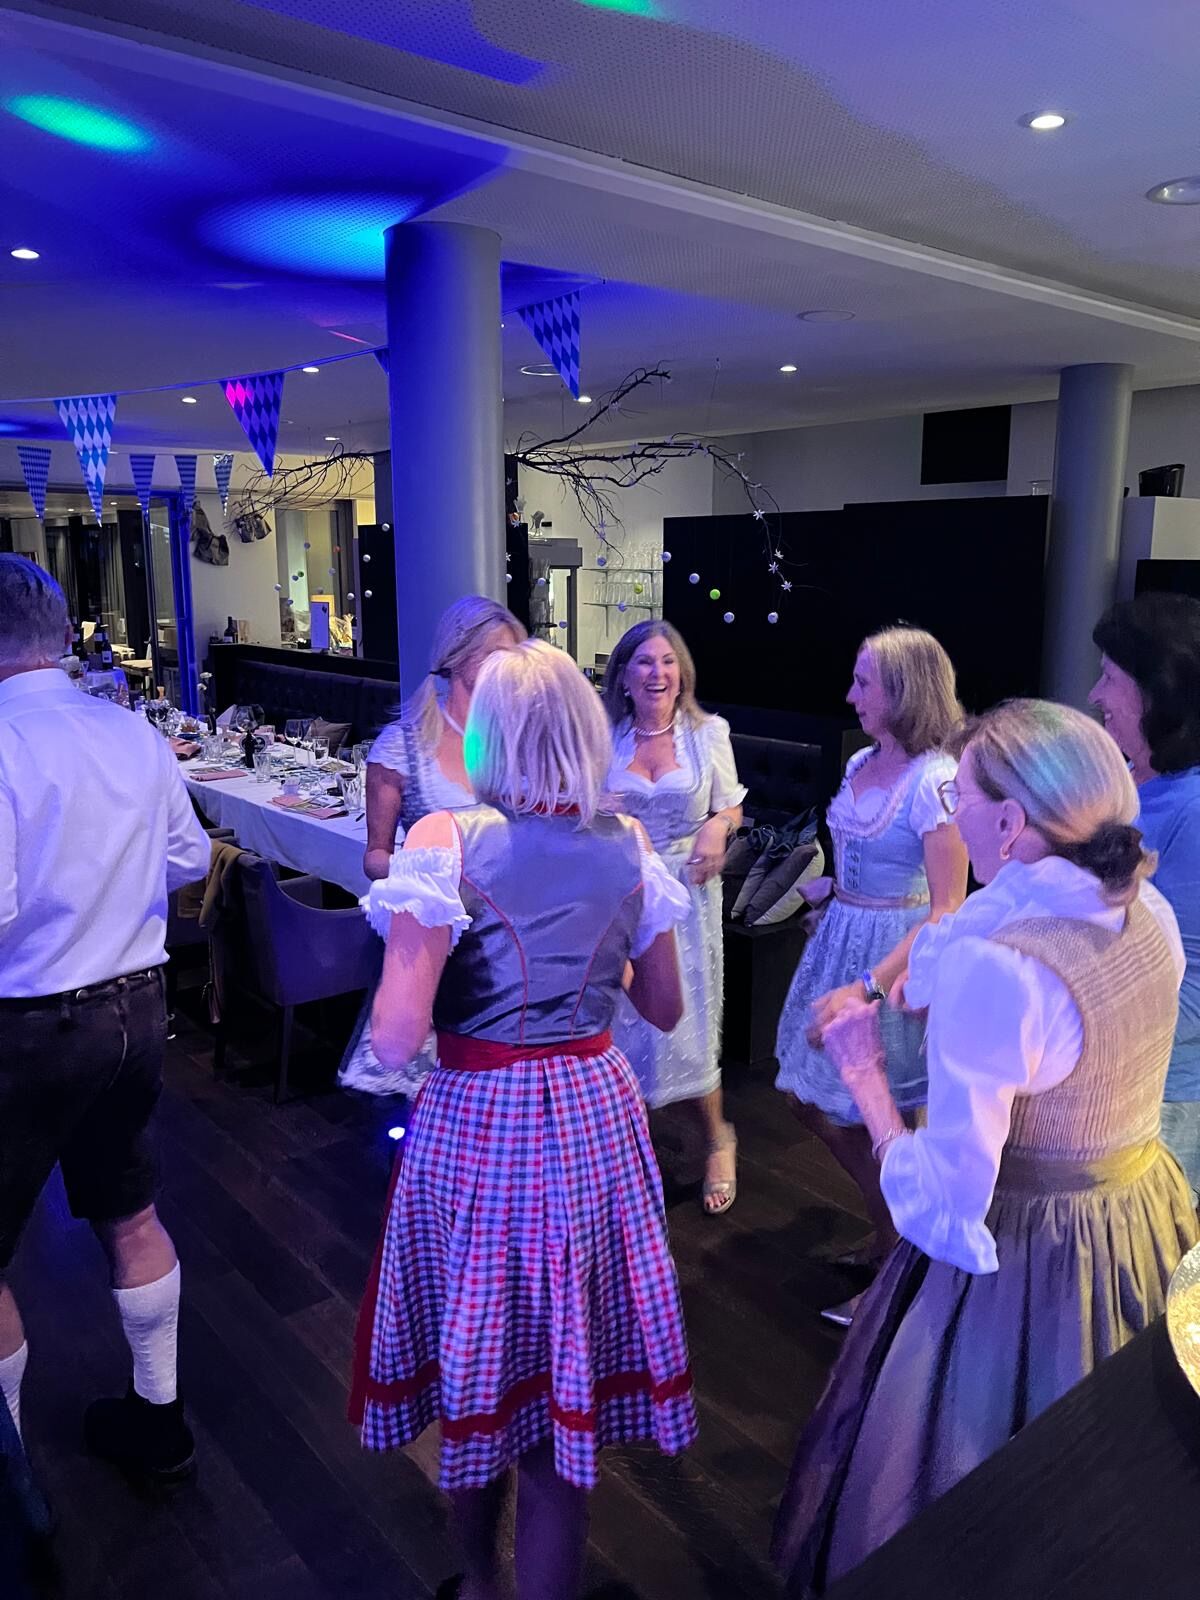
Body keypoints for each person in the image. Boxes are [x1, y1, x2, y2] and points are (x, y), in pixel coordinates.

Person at [772, 699, 1199, 1595]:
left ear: (1009, 823)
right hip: (1139, 1210)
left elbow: (946, 1201)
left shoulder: (1002, 966)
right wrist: (907, 985)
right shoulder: (1147, 908)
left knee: (979, 1484)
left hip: (1032, 1252)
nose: (950, 812)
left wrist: (866, 1078)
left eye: (958, 796)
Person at [353, 640, 695, 1600]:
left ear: (489, 736)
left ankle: (477, 1582)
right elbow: (664, 1008)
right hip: (593, 1114)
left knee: (482, 1368)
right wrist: (587, 957)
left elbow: (394, 1039)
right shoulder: (628, 846)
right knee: (559, 1384)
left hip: (483, 1116)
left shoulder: (445, 841)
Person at [0, 555, 211, 1480]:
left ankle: (11, 1477)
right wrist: (107, 893)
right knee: (131, 1210)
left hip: (28, 1024)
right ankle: (159, 1422)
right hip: (137, 1008)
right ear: (58, 636)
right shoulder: (131, 733)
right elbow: (191, 860)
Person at [774, 627, 968, 1287]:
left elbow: (946, 906)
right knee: (814, 1097)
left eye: (864, 683)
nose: (851, 695)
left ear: (904, 691)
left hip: (896, 959)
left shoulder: (936, 780)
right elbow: (863, 863)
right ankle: (894, 1234)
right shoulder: (863, 761)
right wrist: (834, 900)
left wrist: (870, 984)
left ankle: (898, 1248)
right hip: (842, 938)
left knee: (874, 1106)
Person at [340, 595, 525, 1094]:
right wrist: (434, 876)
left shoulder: (519, 743)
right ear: (457, 658)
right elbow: (375, 858)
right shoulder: (403, 745)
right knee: (430, 1084)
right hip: (437, 937)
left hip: (509, 942)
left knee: (501, 1081)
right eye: (496, 655)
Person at [601, 620, 746, 1215]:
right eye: (644, 662)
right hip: (621, 891)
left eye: (667, 662)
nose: (657, 673)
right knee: (621, 1023)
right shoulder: (603, 736)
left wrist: (718, 826)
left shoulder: (708, 734)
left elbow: (732, 806)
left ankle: (718, 1138)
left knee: (689, 1022)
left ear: (682, 674)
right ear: (623, 676)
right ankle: (625, 1153)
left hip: (687, 895)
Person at [1091, 593, 1200, 1196]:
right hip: (1113, 1072)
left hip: (1161, 1092)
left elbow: (1190, 987)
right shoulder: (1130, 777)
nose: (1094, 694)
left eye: (1110, 677)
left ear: (1159, 692)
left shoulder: (1194, 809)